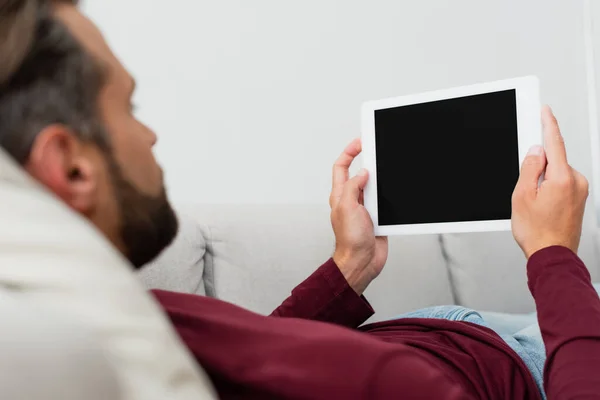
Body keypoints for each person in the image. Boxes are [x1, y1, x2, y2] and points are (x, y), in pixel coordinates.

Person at [0, 0, 599, 399]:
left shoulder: (112, 310)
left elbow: (263, 358)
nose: (150, 134)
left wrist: (349, 267)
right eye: (129, 107)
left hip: (469, 331)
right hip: (543, 361)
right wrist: (552, 255)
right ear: (72, 167)